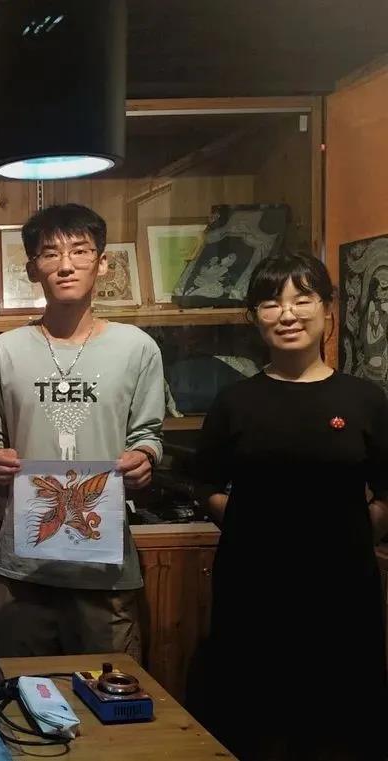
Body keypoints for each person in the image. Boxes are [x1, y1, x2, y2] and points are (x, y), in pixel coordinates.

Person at [191, 252, 388, 760]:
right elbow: (205, 483)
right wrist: (253, 527)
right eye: (271, 303)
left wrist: (353, 533)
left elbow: (386, 488)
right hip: (253, 592)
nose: (287, 314)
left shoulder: (364, 400)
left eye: (302, 299)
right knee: (254, 726)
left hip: (343, 595)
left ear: (327, 309)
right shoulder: (235, 402)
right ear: (255, 317)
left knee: (339, 730)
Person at [0, 204, 164, 660]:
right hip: (24, 565)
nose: (66, 264)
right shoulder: (1, 351)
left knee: (110, 686)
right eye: (50, 253)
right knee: (21, 687)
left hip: (105, 563)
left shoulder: (137, 348)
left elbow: (148, 435)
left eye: (80, 250)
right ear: (32, 268)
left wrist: (144, 459)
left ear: (103, 262)